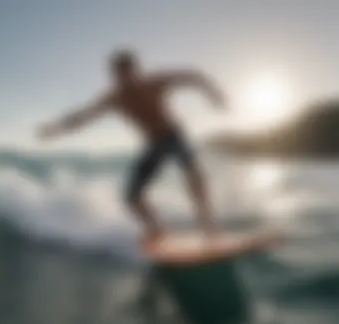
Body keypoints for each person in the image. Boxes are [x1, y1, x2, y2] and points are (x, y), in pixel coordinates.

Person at [36, 49, 228, 243]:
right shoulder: (114, 98)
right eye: (118, 75)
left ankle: (209, 227)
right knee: (131, 197)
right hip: (154, 144)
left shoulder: (154, 83)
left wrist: (213, 93)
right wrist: (54, 129)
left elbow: (191, 76)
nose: (123, 80)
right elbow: (83, 117)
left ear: (136, 70)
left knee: (192, 173)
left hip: (174, 136)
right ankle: (157, 229)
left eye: (127, 73)